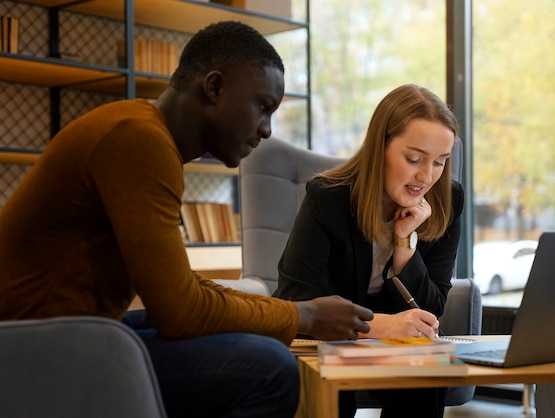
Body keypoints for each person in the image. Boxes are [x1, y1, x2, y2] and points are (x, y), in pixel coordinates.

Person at [0, 21, 374, 418]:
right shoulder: (139, 141)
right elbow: (180, 312)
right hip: (29, 347)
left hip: (70, 334)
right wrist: (305, 315)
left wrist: (292, 314)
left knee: (252, 336)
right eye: (263, 107)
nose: (266, 129)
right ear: (214, 88)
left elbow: (183, 288)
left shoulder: (145, 135)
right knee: (269, 369)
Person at [274, 84, 465, 418]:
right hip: (332, 335)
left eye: (439, 162)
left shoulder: (447, 199)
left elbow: (432, 310)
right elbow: (293, 299)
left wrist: (405, 243)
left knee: (422, 365)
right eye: (414, 158)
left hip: (403, 343)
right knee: (332, 389)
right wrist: (380, 326)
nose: (426, 176)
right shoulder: (328, 197)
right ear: (381, 147)